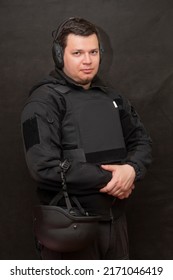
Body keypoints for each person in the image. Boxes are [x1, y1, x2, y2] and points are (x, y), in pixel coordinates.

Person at [21, 17, 152, 260]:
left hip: (116, 225)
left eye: (93, 51)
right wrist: (115, 179)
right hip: (70, 227)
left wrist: (132, 170)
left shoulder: (113, 98)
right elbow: (42, 167)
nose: (88, 60)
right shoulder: (42, 102)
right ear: (60, 56)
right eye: (78, 52)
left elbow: (142, 142)